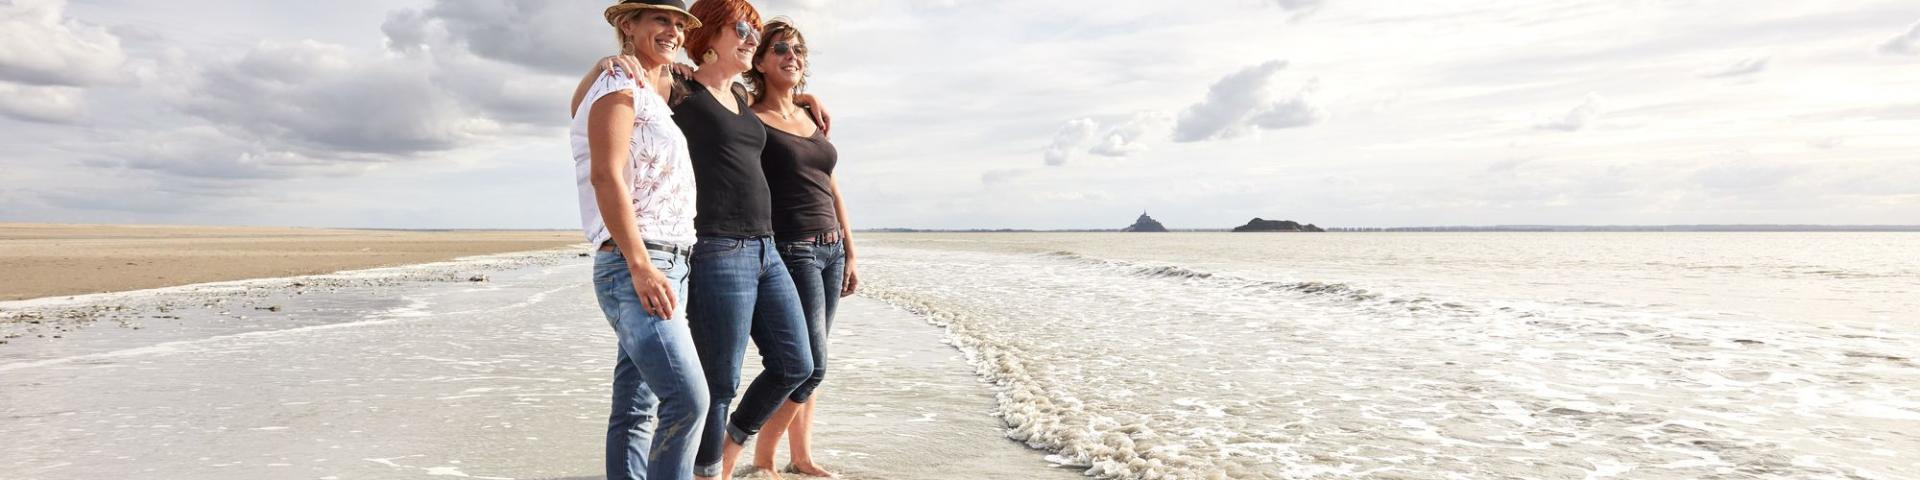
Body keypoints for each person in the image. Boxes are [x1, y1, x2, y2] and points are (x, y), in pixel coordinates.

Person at [571, 1, 707, 478]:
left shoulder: (650, 88)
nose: (673, 30)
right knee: (689, 399)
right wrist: (640, 265)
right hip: (640, 261)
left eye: (679, 24)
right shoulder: (618, 82)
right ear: (628, 25)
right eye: (661, 20)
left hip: (671, 260)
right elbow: (605, 176)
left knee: (635, 406)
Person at [742, 18, 858, 478]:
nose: (793, 56)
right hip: (794, 250)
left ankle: (802, 457)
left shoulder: (811, 117)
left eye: (798, 51)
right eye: (781, 49)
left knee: (815, 360)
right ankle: (763, 458)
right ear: (760, 61)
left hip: (830, 248)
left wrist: (851, 250)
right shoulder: (749, 117)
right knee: (808, 365)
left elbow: (832, 188)